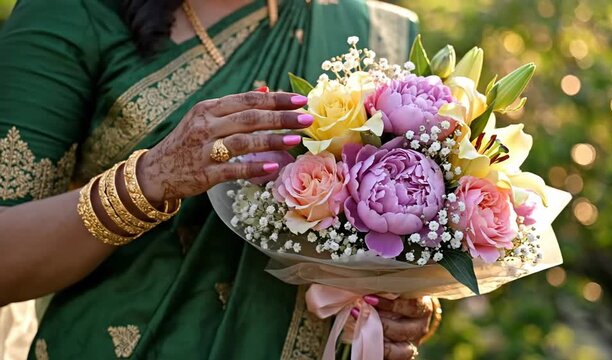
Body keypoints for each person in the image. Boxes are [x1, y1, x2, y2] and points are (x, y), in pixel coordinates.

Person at [0, 0, 439, 358]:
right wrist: (152, 179)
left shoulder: (372, 29)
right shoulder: (72, 12)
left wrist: (404, 305)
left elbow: (392, 249)